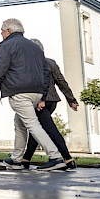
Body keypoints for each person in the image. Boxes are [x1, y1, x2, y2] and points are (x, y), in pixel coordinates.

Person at [0, 18, 66, 171]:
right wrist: (42, 94)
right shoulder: (35, 47)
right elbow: (45, 72)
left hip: (19, 92)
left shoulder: (7, 45)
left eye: (2, 31)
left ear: (8, 31)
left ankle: (55, 157)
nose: (1, 34)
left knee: (32, 124)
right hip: (36, 92)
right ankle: (16, 159)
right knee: (20, 124)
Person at [21, 39, 79, 170]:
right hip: (52, 101)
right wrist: (72, 100)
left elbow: (38, 83)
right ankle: (26, 159)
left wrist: (39, 100)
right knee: (37, 128)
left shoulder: (33, 64)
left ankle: (67, 158)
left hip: (41, 101)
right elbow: (61, 82)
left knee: (49, 129)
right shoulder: (51, 62)